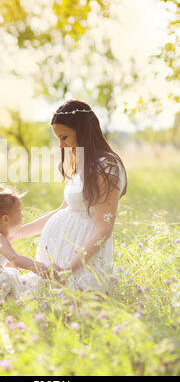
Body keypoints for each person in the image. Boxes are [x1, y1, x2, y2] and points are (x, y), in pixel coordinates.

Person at [11, 100, 127, 294]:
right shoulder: (85, 162)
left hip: (79, 261)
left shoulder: (107, 166)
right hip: (61, 257)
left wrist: (68, 270)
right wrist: (17, 233)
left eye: (64, 137)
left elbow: (104, 229)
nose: (61, 145)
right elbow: (64, 210)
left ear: (83, 132)